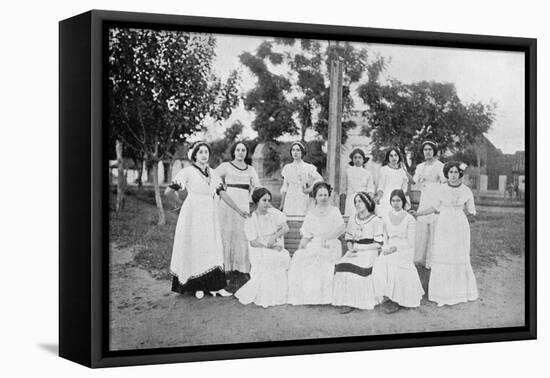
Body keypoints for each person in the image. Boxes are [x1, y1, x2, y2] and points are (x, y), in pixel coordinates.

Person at [165, 142, 248, 299]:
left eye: (206, 152)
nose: (204, 155)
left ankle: (216, 287)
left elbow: (222, 194)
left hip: (210, 215)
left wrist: (238, 210)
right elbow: (169, 191)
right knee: (196, 247)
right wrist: (180, 205)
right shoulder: (187, 172)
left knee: (211, 247)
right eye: (201, 152)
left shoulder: (213, 173)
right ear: (195, 155)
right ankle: (197, 287)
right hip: (192, 215)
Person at [412, 162, 478, 306]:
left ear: (460, 174)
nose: (453, 175)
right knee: (443, 254)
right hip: (444, 224)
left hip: (460, 226)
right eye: (450, 172)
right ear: (446, 174)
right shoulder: (441, 189)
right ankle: (442, 293)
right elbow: (434, 207)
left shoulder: (466, 190)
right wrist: (419, 213)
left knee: (458, 254)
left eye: (456, 172)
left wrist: (468, 215)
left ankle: (459, 292)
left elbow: (471, 210)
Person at [287, 182, 345, 305]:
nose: (323, 198)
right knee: (300, 257)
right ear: (315, 197)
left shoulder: (334, 211)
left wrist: (326, 238)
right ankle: (308, 296)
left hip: (331, 242)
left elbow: (340, 229)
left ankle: (324, 297)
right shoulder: (311, 213)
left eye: (325, 195)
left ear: (329, 196)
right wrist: (301, 247)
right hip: (315, 242)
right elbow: (307, 235)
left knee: (321, 257)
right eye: (320, 195)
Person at [234, 187, 291, 308]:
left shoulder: (273, 213)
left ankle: (279, 294)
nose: (267, 203)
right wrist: (269, 246)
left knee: (282, 256)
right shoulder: (250, 219)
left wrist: (274, 237)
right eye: (264, 200)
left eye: (269, 200)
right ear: (257, 202)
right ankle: (266, 295)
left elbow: (286, 228)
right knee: (269, 256)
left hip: (274, 244)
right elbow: (253, 242)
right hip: (259, 248)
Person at [372, 189, 424, 313]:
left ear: (403, 202)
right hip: (390, 247)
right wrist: (386, 249)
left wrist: (397, 248)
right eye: (393, 201)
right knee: (380, 264)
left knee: (396, 266)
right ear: (390, 202)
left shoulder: (410, 218)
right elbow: (385, 238)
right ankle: (387, 295)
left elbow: (411, 242)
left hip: (404, 249)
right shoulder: (386, 217)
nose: (396, 203)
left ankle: (397, 299)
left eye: (398, 200)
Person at [332, 192, 383, 313]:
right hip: (354, 249)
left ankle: (358, 301)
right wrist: (350, 249)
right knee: (342, 265)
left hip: (369, 250)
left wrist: (361, 248)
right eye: (356, 202)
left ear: (367, 203)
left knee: (359, 267)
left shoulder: (376, 220)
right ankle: (346, 301)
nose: (357, 204)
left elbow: (378, 244)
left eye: (360, 201)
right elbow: (349, 238)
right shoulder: (353, 219)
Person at [215, 142, 261, 276]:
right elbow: (212, 178)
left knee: (242, 234)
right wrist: (220, 189)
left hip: (243, 204)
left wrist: (254, 201)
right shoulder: (225, 166)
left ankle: (241, 268)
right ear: (234, 152)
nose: (241, 152)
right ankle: (225, 267)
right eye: (238, 150)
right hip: (227, 204)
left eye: (243, 150)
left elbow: (257, 186)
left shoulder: (251, 169)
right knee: (227, 234)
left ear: (247, 153)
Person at [412, 141, 446, 268]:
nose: (427, 152)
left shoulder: (439, 166)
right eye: (425, 149)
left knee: (434, 230)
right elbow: (413, 180)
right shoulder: (420, 167)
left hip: (435, 197)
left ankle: (431, 261)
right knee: (421, 229)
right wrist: (401, 169)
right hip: (424, 198)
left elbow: (445, 183)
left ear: (434, 151)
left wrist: (441, 202)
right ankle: (419, 259)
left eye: (430, 149)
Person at [279, 142, 323, 216]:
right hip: (290, 198)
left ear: (302, 152)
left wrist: (309, 189)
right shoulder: (287, 168)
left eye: (298, 150)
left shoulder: (308, 167)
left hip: (302, 197)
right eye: (293, 150)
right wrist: (282, 204)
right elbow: (285, 187)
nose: (295, 152)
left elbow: (320, 179)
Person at [375, 148, 410, 217]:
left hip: (399, 198)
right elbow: (381, 186)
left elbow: (404, 187)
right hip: (386, 198)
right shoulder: (384, 169)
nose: (394, 157)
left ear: (399, 157)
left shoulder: (403, 170)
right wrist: (378, 197)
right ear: (388, 158)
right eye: (391, 156)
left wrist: (404, 199)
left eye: (395, 155)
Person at [343, 148, 375, 218]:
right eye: (355, 157)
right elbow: (343, 188)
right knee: (351, 219)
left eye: (360, 157)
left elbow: (370, 190)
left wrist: (369, 203)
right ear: (352, 159)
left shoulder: (368, 173)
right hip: (350, 199)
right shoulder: (347, 171)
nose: (357, 159)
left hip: (363, 199)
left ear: (363, 159)